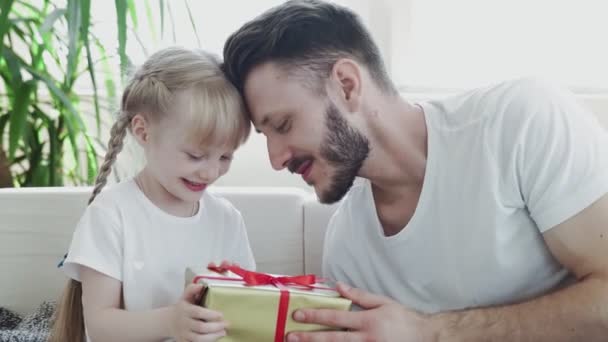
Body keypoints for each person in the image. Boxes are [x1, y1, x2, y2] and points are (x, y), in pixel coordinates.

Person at [222, 1, 608, 340]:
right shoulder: (348, 248)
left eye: (284, 125)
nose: (276, 159)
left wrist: (430, 332)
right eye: (265, 136)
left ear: (346, 84)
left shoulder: (519, 122)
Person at [49, 47, 255, 342]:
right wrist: (170, 323)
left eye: (225, 157)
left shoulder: (227, 220)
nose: (210, 172)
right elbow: (99, 326)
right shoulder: (111, 215)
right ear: (143, 132)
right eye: (196, 155)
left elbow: (243, 314)